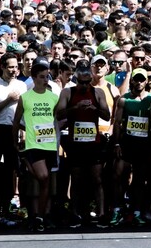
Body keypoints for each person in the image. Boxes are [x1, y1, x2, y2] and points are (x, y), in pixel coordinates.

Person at [55, 60, 111, 228]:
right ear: (76, 79)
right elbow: (59, 115)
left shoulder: (98, 92)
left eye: (88, 82)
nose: (85, 86)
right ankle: (75, 213)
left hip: (93, 142)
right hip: (76, 142)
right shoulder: (67, 92)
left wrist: (96, 109)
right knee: (77, 179)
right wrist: (75, 107)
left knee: (97, 178)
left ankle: (101, 214)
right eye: (82, 82)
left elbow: (107, 116)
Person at [12, 57, 59, 232]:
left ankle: (40, 216)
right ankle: (39, 215)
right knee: (44, 177)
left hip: (49, 143)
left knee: (45, 181)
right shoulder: (25, 97)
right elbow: (16, 121)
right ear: (33, 78)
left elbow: (54, 118)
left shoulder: (54, 97)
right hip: (33, 143)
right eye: (41, 76)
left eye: (47, 76)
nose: (45, 80)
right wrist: (15, 141)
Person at [0, 53, 27, 229]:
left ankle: (4, 213)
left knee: (10, 175)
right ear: (2, 66)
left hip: (13, 131)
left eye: (16, 66)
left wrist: (23, 132)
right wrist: (9, 99)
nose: (14, 70)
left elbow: (23, 112)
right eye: (10, 66)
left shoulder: (22, 85)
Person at [110, 68, 151, 227]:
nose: (138, 82)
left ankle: (137, 212)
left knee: (139, 179)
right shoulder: (124, 100)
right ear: (131, 81)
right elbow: (116, 123)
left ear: (146, 81)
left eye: (141, 79)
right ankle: (117, 210)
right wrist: (116, 143)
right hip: (127, 143)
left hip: (144, 145)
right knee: (118, 177)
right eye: (136, 79)